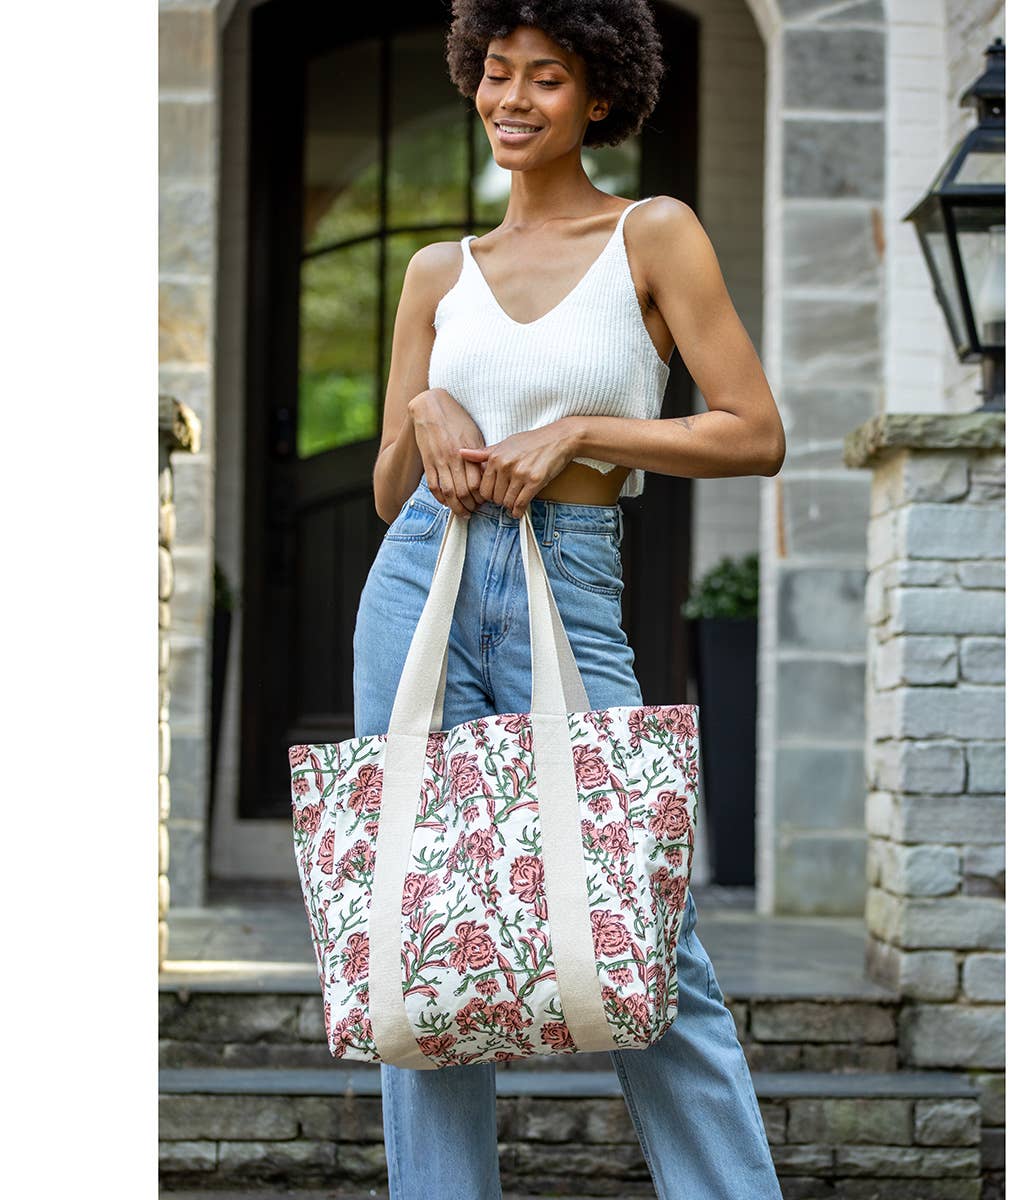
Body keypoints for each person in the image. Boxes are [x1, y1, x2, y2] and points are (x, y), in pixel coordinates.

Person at [353, 2, 787, 1196]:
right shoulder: (437, 271)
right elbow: (394, 489)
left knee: (644, 922)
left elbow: (755, 433)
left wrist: (587, 428)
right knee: (423, 913)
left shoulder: (652, 233)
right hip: (423, 582)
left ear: (598, 98)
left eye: (546, 78)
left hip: (571, 574)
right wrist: (427, 413)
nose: (513, 99)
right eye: (496, 74)